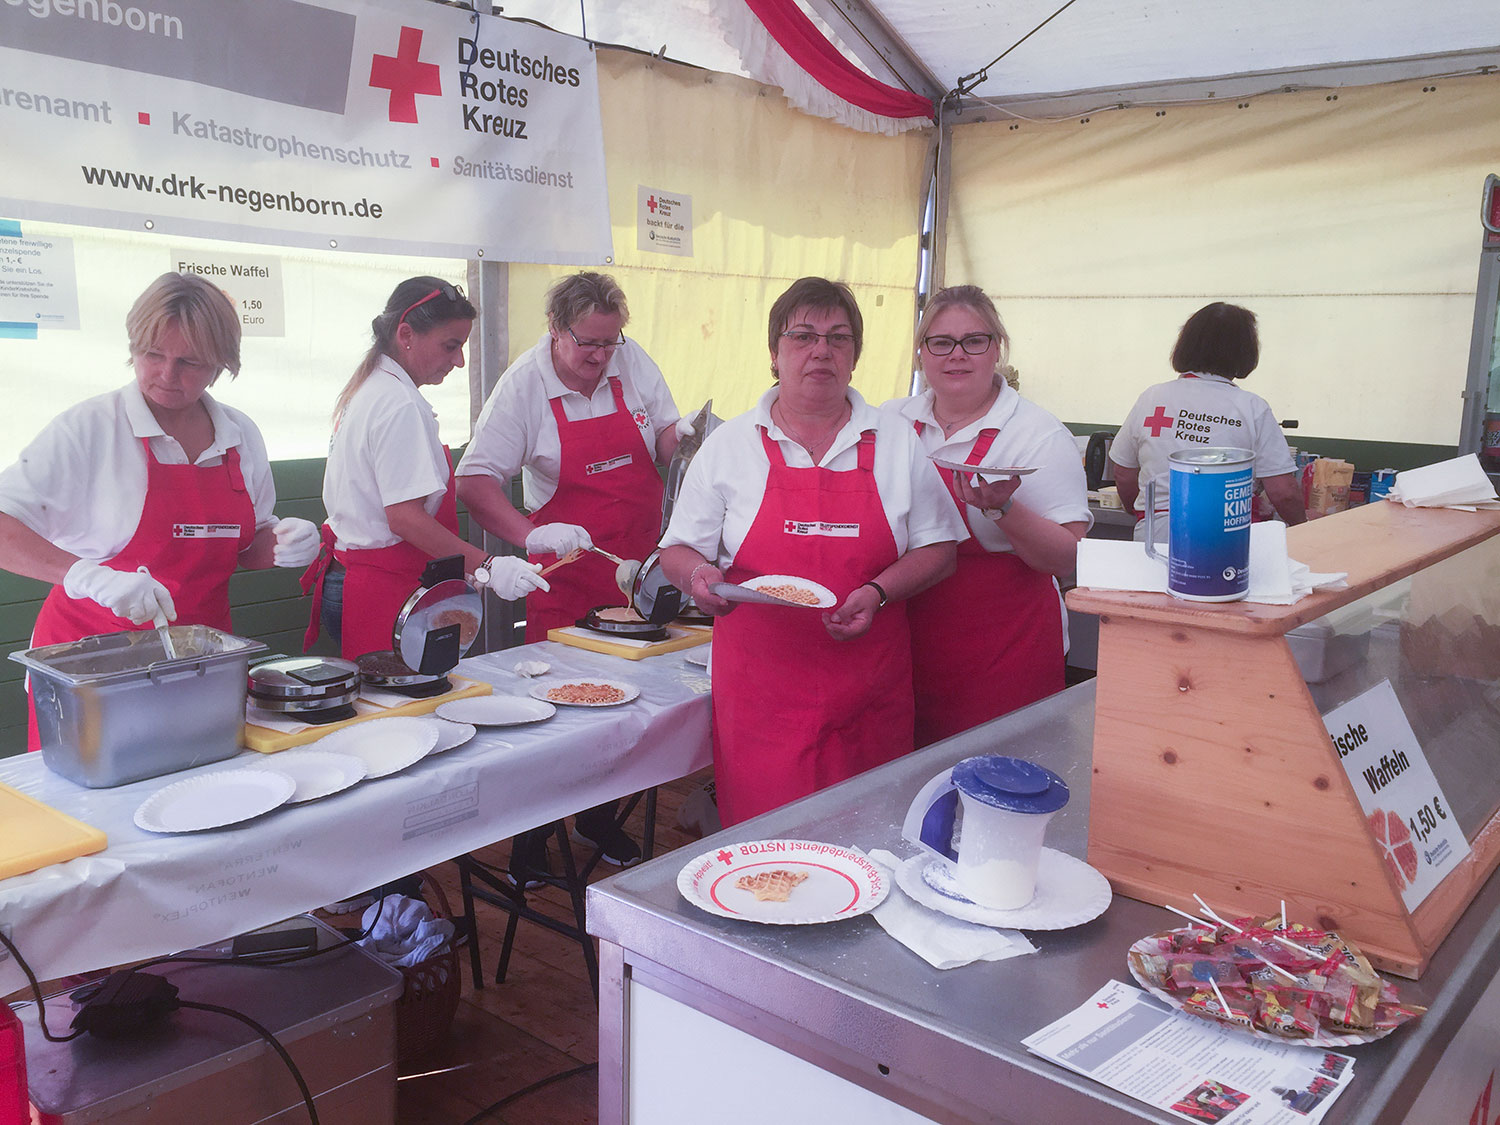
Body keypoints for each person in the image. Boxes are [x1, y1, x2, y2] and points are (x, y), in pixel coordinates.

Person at [659, 276, 964, 827]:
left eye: (838, 337)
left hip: (869, 692)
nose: (821, 350)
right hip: (762, 699)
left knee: (871, 844)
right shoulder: (729, 447)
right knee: (766, 855)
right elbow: (677, 550)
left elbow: (940, 549)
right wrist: (700, 577)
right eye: (802, 336)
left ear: (854, 357)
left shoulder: (896, 441)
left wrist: (877, 592)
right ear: (775, 354)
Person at [0, 272, 322, 749]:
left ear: (221, 364)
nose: (167, 375)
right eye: (152, 355)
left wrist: (283, 544)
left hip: (200, 662)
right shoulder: (91, 428)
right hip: (90, 669)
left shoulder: (239, 434)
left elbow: (241, 548)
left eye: (189, 362)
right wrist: (89, 577)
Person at [456, 271, 687, 871]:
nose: (600, 357)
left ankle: (598, 818)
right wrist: (530, 533)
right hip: (562, 571)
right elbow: (476, 481)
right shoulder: (523, 389)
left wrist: (685, 446)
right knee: (556, 716)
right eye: (587, 343)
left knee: (631, 712)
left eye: (610, 343)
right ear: (556, 332)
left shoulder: (630, 362)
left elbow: (664, 433)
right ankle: (531, 839)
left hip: (633, 570)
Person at [883, 286, 1090, 747]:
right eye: (941, 342)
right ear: (921, 352)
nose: (957, 355)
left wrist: (1003, 509)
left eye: (974, 341)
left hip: (1003, 655)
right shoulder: (889, 421)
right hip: (903, 645)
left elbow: (1065, 558)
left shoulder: (1036, 433)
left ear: (997, 348)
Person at [302, 277, 547, 661]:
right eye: (451, 346)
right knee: (395, 711)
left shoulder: (373, 389)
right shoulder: (398, 404)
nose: (459, 361)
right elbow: (404, 518)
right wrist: (486, 565)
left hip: (359, 577)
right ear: (406, 334)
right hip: (383, 586)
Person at [1110, 302, 1306, 536]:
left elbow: (1123, 472)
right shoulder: (1252, 407)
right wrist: (1305, 526)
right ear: (1245, 351)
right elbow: (1283, 492)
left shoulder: (1153, 398)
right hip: (1227, 537)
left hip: (1155, 535)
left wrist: (1142, 511)